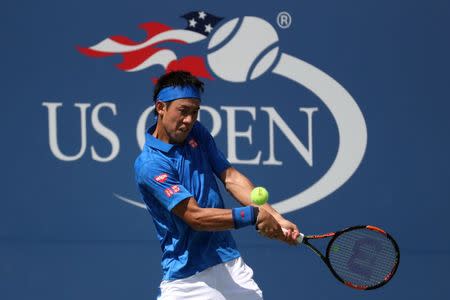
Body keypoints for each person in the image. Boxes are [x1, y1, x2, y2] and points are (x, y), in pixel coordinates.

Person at [134, 71, 300, 299]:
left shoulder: (196, 133)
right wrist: (254, 215)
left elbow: (230, 177)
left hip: (229, 263)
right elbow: (196, 217)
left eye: (194, 112)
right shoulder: (151, 164)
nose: (189, 120)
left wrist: (275, 216)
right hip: (187, 280)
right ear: (161, 108)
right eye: (183, 111)